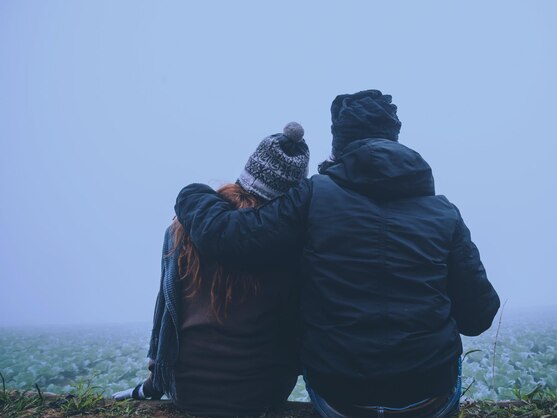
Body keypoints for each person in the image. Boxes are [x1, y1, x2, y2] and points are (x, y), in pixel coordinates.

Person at [174, 90, 501, 418]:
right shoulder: (444, 213)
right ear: (395, 137)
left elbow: (232, 238)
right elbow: (479, 315)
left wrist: (192, 194)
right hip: (429, 399)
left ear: (338, 145)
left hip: (341, 400)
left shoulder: (315, 195)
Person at [113, 122, 310, 418]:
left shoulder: (184, 227)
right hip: (264, 393)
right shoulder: (296, 243)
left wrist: (154, 383)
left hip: (189, 391)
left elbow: (166, 311)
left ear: (248, 172)